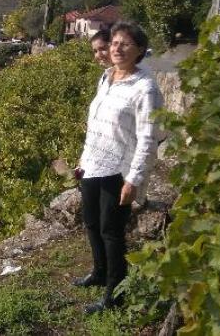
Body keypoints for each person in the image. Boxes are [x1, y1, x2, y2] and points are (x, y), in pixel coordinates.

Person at [73, 21, 163, 315]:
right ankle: (99, 272)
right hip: (93, 164)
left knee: (111, 231)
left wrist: (133, 179)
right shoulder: (106, 77)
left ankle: (115, 292)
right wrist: (82, 160)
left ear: (139, 51)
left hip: (118, 170)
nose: (117, 48)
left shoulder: (145, 88)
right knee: (91, 222)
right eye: (114, 43)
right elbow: (95, 124)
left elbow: (148, 138)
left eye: (125, 44)